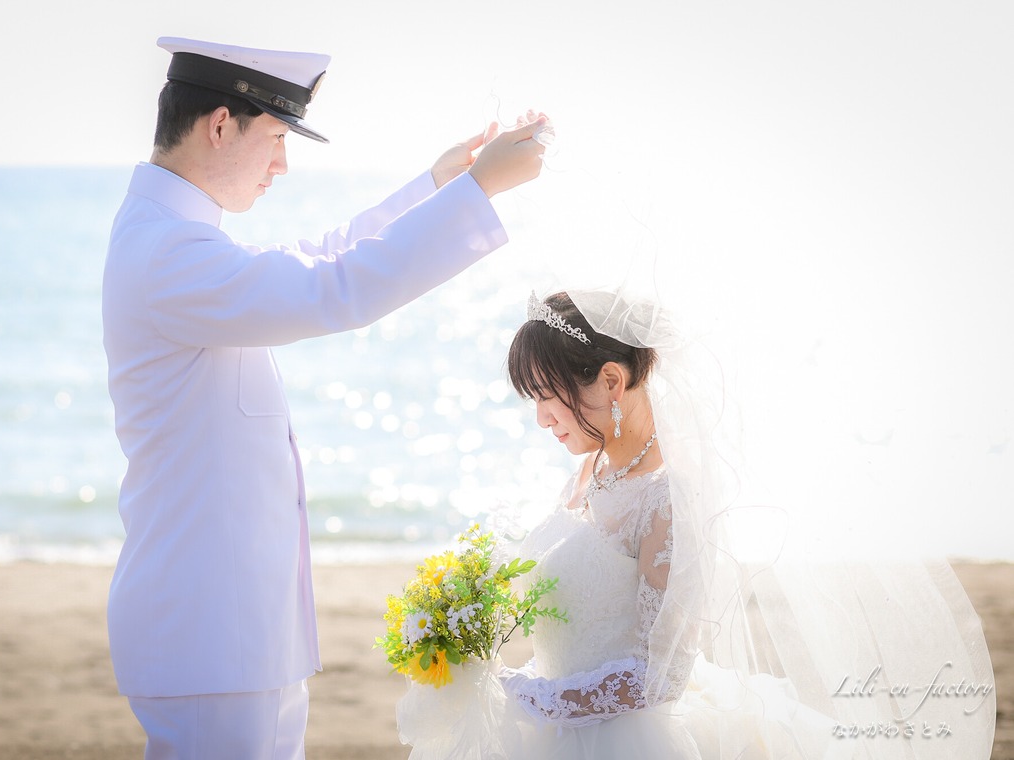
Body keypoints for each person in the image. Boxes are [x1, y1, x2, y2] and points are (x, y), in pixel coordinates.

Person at [101, 35, 548, 759]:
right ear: (220, 124)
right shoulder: (170, 252)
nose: (282, 164)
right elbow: (335, 289)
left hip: (236, 631)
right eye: (277, 136)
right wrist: (477, 193)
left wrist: (435, 190)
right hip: (209, 631)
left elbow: (319, 256)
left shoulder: (176, 237)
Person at [395, 289, 996, 759]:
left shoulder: (668, 501)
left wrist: (531, 699)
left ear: (610, 380)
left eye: (547, 396)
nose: (541, 419)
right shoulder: (588, 470)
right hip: (558, 730)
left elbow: (660, 677)